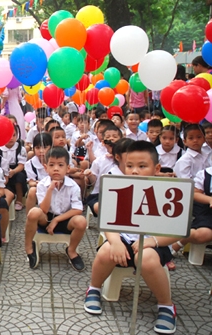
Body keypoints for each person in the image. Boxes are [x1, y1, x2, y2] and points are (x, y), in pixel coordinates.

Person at [84, 141, 178, 334]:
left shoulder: (167, 192)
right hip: (124, 239)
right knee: (107, 251)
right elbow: (108, 222)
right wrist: (115, 240)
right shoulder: (118, 189)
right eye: (130, 166)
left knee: (147, 258)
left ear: (156, 168)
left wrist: (154, 241)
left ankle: (166, 306)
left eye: (142, 166)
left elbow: (175, 231)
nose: (135, 171)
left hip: (154, 244)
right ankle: (94, 288)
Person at [24, 147, 86, 271]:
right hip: (46, 218)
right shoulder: (42, 184)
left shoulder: (73, 186)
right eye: (51, 165)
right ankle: (29, 248)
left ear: (68, 168)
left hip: (66, 218)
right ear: (46, 168)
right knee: (33, 212)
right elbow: (44, 209)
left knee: (81, 221)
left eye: (60, 165)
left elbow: (77, 209)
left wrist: (57, 220)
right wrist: (50, 189)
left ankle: (71, 250)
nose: (56, 168)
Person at [84, 126, 123, 216]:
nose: (111, 139)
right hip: (99, 194)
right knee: (101, 206)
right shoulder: (99, 161)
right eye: (108, 137)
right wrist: (90, 175)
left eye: (115, 136)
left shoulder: (125, 160)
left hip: (121, 193)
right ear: (103, 142)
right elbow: (94, 184)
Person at [0, 127, 27, 211]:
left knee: (19, 177)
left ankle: (19, 199)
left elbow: (21, 165)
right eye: (8, 135)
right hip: (1, 170)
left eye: (13, 135)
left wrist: (13, 171)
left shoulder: (20, 148)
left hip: (16, 169)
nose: (11, 138)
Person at [25, 133, 52, 212]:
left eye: (45, 147)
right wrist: (40, 184)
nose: (41, 151)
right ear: (33, 149)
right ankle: (29, 218)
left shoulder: (56, 161)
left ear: (51, 147)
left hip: (55, 188)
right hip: (40, 189)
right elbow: (31, 182)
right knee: (32, 190)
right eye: (37, 147)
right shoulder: (30, 164)